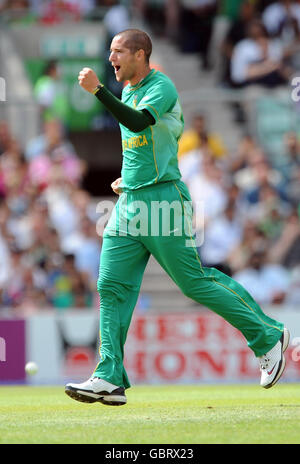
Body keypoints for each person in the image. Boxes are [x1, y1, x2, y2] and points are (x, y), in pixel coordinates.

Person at [65, 29, 289, 407]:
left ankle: (268, 336)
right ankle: (108, 376)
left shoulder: (161, 86)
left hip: (163, 201)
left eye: (118, 51)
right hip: (131, 203)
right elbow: (143, 147)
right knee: (110, 285)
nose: (111, 57)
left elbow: (139, 124)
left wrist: (98, 92)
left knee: (193, 282)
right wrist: (128, 180)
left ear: (140, 55)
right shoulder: (129, 91)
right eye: (110, 51)